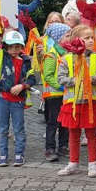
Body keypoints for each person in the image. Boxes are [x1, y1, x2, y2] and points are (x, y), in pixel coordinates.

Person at [56, 24, 96, 178]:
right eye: (87, 38)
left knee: (91, 135)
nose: (91, 40)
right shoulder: (66, 59)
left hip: (90, 103)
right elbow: (60, 79)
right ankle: (73, 163)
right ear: (77, 40)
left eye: (92, 37)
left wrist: (90, 79)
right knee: (73, 134)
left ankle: (93, 164)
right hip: (72, 104)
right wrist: (76, 80)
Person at [0, 29, 36, 167]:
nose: (15, 50)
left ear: (22, 47)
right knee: (2, 129)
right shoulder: (2, 57)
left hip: (18, 101)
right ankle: (3, 155)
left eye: (18, 47)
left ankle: (19, 154)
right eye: (11, 47)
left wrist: (22, 86)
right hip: (3, 99)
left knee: (18, 129)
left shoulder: (26, 61)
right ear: (6, 47)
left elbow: (32, 79)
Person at [41, 22, 69, 162]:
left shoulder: (67, 53)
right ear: (59, 38)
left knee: (66, 121)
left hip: (65, 95)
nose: (69, 38)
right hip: (54, 95)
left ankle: (63, 146)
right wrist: (61, 87)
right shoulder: (51, 55)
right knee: (53, 122)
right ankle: (50, 148)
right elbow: (48, 76)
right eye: (67, 35)